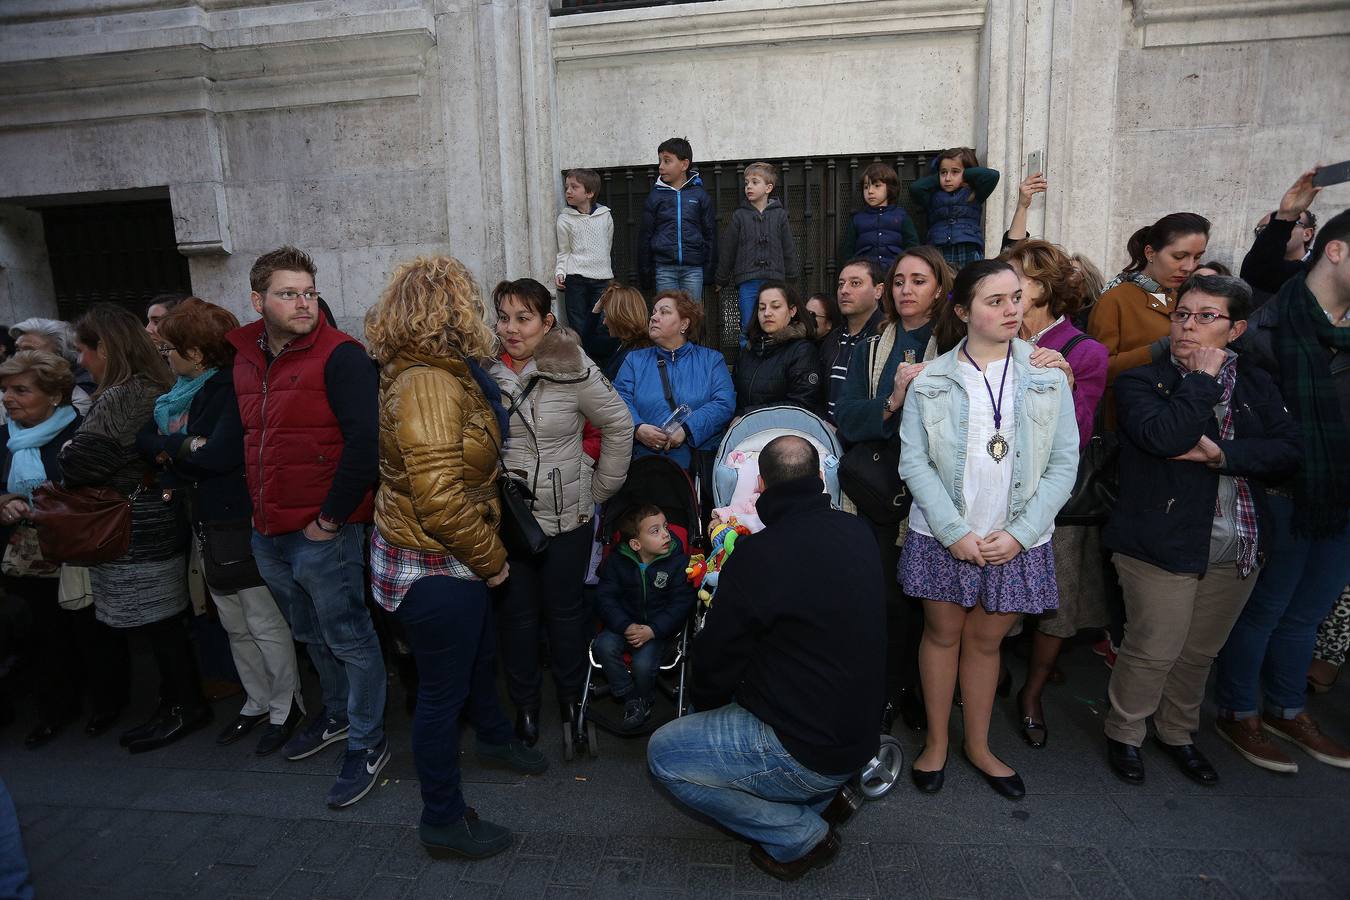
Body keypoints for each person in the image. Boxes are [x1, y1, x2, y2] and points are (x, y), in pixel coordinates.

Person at [365, 254, 546, 859]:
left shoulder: (441, 369)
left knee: (480, 654)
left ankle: (493, 737)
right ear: (448, 308)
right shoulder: (429, 383)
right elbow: (439, 501)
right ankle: (441, 817)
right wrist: (493, 559)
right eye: (469, 300)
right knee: (441, 694)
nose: (480, 313)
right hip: (436, 559)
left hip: (447, 548)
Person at [648, 436, 884, 882]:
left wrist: (707, 703)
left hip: (804, 747)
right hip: (860, 735)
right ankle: (824, 797)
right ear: (820, 480)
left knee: (665, 754)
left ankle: (799, 834)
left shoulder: (757, 557)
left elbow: (714, 663)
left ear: (759, 486)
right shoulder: (860, 533)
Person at [1102, 275, 1299, 785]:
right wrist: (1201, 384)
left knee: (1197, 654)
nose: (1188, 326)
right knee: (1154, 648)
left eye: (1204, 317)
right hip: (1160, 539)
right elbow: (1165, 436)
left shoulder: (1257, 382)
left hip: (1239, 541)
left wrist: (1226, 455)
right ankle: (1125, 732)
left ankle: (1177, 732)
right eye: (1181, 314)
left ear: (1235, 330)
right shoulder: (1143, 381)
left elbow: (1289, 450)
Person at [898, 260, 1079, 800]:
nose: (1011, 310)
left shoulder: (1050, 376)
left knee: (985, 645)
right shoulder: (929, 379)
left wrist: (1022, 533)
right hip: (943, 534)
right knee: (942, 636)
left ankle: (977, 744)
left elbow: (1065, 464)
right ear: (963, 311)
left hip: (1016, 537)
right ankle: (935, 743)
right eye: (994, 300)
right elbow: (914, 462)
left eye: (1016, 298)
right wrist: (953, 529)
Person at [227, 246, 388, 808]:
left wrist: (330, 519)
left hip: (324, 530)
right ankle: (340, 716)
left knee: (349, 636)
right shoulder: (244, 355)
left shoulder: (341, 356)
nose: (303, 303)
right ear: (258, 300)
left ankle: (368, 741)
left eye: (310, 292)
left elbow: (366, 446)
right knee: (309, 634)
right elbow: (254, 440)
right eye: (288, 293)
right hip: (268, 530)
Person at [1213, 209, 1350, 773]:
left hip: (1342, 499)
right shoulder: (1270, 326)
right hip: (1284, 493)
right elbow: (1255, 429)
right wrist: (1286, 217)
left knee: (1309, 614)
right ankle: (1238, 709)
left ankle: (1287, 707)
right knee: (1266, 609)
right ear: (1336, 251)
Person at [136, 299, 304, 757]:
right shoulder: (176, 396)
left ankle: (286, 707)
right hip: (205, 521)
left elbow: (218, 454)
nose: (164, 354)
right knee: (232, 622)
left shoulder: (230, 385)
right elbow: (144, 440)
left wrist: (176, 449)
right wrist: (182, 445)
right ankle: (255, 701)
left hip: (239, 519)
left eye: (171, 347)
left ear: (197, 350)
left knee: (263, 621)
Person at [489, 278, 633, 749]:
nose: (512, 328)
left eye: (523, 318)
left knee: (566, 616)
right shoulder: (484, 371)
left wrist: (600, 487)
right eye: (504, 317)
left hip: (565, 518)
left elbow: (618, 423)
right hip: (508, 520)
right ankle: (526, 708)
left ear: (547, 322)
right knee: (517, 617)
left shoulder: (573, 366)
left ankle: (574, 700)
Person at [61, 304, 206, 753]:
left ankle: (185, 706)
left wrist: (69, 449)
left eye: (84, 351)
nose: (81, 362)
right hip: (143, 519)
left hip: (135, 526)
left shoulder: (126, 393)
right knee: (162, 621)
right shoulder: (148, 386)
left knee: (161, 624)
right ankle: (173, 703)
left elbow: (82, 460)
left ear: (104, 348)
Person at [835, 246, 954, 731]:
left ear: (940, 289)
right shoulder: (872, 344)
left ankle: (923, 691)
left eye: (919, 280)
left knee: (930, 602)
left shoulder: (955, 344)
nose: (907, 289)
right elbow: (846, 416)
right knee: (884, 598)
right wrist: (893, 401)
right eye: (900, 280)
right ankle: (887, 690)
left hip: (935, 494)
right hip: (876, 495)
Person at [997, 240, 1109, 748]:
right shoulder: (991, 338)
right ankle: (990, 673)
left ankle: (1033, 693)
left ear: (1041, 288)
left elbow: (1080, 437)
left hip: (1052, 505)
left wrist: (1062, 384)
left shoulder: (1084, 352)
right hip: (991, 495)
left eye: (1015, 280)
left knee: (1054, 607)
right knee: (992, 597)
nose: (1004, 293)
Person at [0, 350, 125, 747]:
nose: (8, 398)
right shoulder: (4, 436)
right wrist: (4, 501)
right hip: (28, 555)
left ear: (54, 395)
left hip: (78, 548)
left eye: (21, 390)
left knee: (90, 630)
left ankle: (107, 704)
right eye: (4, 389)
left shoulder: (83, 432)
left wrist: (49, 507)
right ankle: (56, 709)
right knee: (41, 635)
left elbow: (102, 489)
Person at [1089, 213, 1210, 427]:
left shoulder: (1182, 296)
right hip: (1129, 423)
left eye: (1197, 257)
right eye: (1179, 256)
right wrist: (1158, 349)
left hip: (1180, 416)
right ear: (1150, 253)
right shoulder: (1116, 299)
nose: (1189, 266)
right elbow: (1096, 371)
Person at [594, 505, 695, 730]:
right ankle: (631, 697)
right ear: (635, 544)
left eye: (666, 527)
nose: (666, 534)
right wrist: (624, 625)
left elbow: (681, 604)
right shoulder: (618, 562)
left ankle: (644, 698)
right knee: (603, 645)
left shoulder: (678, 563)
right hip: (625, 623)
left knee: (642, 663)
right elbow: (606, 598)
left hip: (659, 629)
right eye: (655, 531)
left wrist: (653, 630)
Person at [613, 290, 734, 474]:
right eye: (653, 312)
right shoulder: (634, 361)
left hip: (695, 464)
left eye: (664, 312)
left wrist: (687, 428)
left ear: (684, 324)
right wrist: (637, 428)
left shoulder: (711, 361)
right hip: (643, 462)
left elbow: (724, 403)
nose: (654, 317)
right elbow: (618, 399)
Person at [715, 161, 801, 344]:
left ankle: (775, 360)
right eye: (746, 183)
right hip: (748, 281)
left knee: (776, 324)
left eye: (754, 182)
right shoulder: (740, 216)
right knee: (747, 323)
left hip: (774, 280)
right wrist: (721, 278)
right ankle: (746, 362)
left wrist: (791, 276)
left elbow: (788, 247)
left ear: (768, 187)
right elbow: (728, 248)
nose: (749, 187)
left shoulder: (779, 215)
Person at [637, 137, 717, 299]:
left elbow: (711, 234)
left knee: (692, 316)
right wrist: (645, 272)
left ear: (684, 165)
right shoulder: (655, 197)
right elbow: (645, 236)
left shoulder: (699, 195)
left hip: (693, 269)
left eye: (667, 161)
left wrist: (709, 270)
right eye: (660, 161)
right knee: (667, 312)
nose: (661, 167)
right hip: (664, 269)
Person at [732, 281, 821, 415]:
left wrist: (748, 414)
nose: (767, 313)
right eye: (762, 308)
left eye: (775, 306)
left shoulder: (802, 351)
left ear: (792, 311)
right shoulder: (749, 350)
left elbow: (802, 405)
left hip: (785, 432)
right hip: (745, 431)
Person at [908, 147, 1001, 270]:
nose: (947, 178)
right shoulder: (933, 196)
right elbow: (915, 188)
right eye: (943, 172)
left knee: (969, 284)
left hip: (968, 246)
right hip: (939, 247)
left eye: (955, 172)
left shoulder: (973, 194)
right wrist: (941, 176)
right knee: (944, 284)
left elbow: (992, 175)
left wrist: (965, 175)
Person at [818, 258, 886, 423]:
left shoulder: (888, 338)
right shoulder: (832, 339)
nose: (844, 290)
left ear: (878, 291)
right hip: (828, 437)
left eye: (855, 283)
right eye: (841, 284)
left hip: (866, 441)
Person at [1241, 168, 1322, 303]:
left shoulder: (1322, 266)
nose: (1276, 231)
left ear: (1307, 234)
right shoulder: (1255, 267)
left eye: (1291, 222)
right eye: (1264, 230)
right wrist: (1284, 216)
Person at [555, 167, 613, 349]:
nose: (568, 191)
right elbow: (564, 250)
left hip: (601, 278)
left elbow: (607, 245)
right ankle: (582, 363)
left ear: (589, 192)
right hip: (576, 279)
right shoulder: (565, 219)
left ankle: (601, 365)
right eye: (566, 187)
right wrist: (560, 271)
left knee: (602, 323)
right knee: (578, 325)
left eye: (574, 187)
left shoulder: (605, 215)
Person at [837, 163, 918, 274]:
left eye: (877, 186)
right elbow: (848, 251)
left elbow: (912, 246)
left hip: (894, 273)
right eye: (866, 187)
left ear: (890, 188)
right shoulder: (857, 219)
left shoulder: (901, 216)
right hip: (866, 275)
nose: (870, 191)